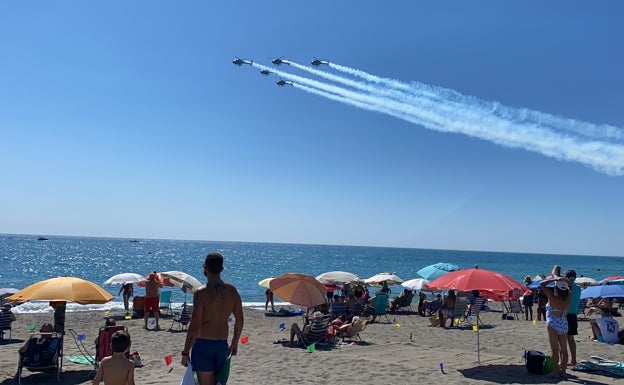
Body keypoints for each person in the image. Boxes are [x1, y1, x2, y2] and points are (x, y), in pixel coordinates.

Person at [181, 253, 244, 385]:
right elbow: (239, 319)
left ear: (205, 268)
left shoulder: (201, 293)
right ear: (221, 269)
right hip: (222, 344)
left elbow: (194, 325)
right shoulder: (232, 291)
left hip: (203, 345)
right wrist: (235, 341)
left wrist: (185, 351)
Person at [540, 277, 572, 378]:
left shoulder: (552, 297)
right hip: (563, 322)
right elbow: (570, 287)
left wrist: (554, 279)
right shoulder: (568, 297)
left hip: (553, 322)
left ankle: (555, 371)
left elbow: (542, 284)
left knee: (554, 349)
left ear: (556, 288)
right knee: (564, 349)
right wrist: (567, 282)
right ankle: (563, 371)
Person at [564, 270, 581, 366]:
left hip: (565, 315)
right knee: (571, 339)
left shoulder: (565, 288)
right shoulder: (578, 288)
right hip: (573, 315)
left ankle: (564, 360)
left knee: (562, 339)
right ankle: (573, 359)